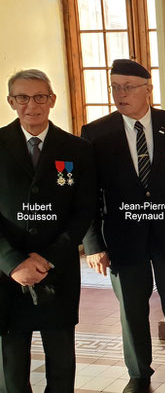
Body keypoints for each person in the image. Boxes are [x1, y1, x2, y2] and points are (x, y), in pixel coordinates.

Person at [81, 59, 165, 393]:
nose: (119, 94)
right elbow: (87, 193)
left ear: (148, 90)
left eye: (127, 87)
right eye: (114, 87)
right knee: (132, 309)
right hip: (124, 238)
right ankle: (138, 373)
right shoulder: (96, 132)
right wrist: (93, 244)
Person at [0, 69, 96, 392]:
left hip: (57, 273)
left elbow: (83, 212)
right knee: (12, 372)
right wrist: (13, 262)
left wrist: (48, 258)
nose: (32, 105)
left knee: (61, 366)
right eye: (23, 98)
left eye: (40, 96)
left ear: (52, 100)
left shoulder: (77, 149)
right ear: (11, 101)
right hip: (7, 277)